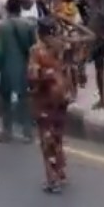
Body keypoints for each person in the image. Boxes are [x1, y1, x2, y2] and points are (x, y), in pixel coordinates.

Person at [28, 18, 74, 194]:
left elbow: (33, 75)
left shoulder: (37, 50)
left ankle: (52, 180)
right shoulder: (64, 46)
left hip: (45, 98)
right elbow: (71, 68)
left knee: (47, 139)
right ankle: (61, 172)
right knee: (58, 136)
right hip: (63, 96)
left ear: (40, 32)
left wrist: (44, 74)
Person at [0, 0, 36, 143]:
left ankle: (7, 132)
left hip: (7, 69)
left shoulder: (2, 27)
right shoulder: (28, 25)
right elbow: (33, 48)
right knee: (24, 100)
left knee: (6, 100)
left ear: (7, 9)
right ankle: (27, 133)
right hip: (24, 67)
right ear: (20, 9)